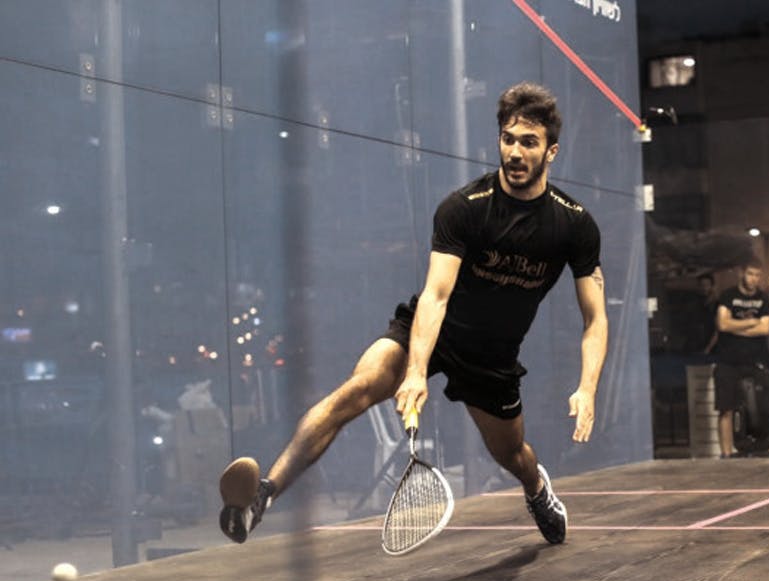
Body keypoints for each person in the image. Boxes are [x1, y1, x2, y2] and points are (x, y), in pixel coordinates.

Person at [217, 82, 607, 546]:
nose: (516, 152)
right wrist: (416, 371)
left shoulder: (573, 225)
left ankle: (537, 490)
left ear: (551, 151)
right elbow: (435, 297)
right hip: (430, 329)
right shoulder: (464, 209)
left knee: (512, 455)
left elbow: (594, 319)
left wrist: (587, 387)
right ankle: (261, 499)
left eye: (529, 142)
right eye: (508, 138)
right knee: (356, 390)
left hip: (491, 358)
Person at [713, 258, 769, 458]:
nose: (754, 279)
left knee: (762, 407)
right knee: (726, 408)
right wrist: (752, 322)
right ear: (742, 273)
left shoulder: (763, 298)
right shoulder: (728, 296)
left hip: (756, 360)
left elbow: (765, 328)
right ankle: (726, 454)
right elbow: (722, 325)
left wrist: (735, 325)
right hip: (727, 360)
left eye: (757, 275)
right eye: (750, 274)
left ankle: (764, 449)